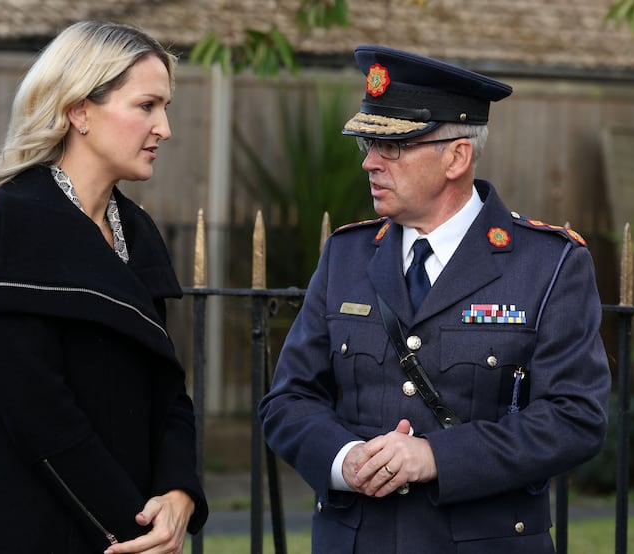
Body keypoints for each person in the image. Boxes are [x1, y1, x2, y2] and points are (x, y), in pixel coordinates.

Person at [259, 45, 611, 553]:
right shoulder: (345, 256)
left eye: (393, 148)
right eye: (367, 144)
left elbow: (575, 417)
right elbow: (288, 401)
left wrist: (434, 457)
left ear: (456, 156)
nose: (371, 164)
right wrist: (345, 459)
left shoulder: (547, 264)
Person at [0, 21, 207, 554]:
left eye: (166, 108)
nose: (164, 128)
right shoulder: (14, 230)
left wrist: (179, 490)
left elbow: (168, 390)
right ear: (79, 110)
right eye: (146, 106)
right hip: (36, 530)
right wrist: (133, 528)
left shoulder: (136, 233)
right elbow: (39, 417)